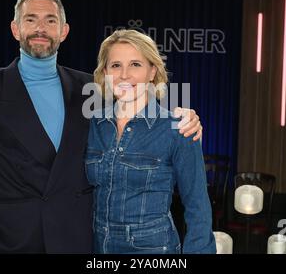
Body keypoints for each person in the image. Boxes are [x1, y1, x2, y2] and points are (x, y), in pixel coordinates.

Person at [0, 0, 203, 254]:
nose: (40, 29)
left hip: (78, 240)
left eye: (50, 21)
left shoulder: (89, 89)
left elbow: (135, 111)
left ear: (63, 31)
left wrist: (183, 116)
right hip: (11, 241)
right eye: (30, 19)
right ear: (15, 29)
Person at [86, 29, 216, 254]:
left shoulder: (178, 128)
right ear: (105, 72)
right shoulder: (93, 125)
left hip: (152, 250)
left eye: (135, 64)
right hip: (97, 248)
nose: (124, 74)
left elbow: (198, 208)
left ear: (152, 71)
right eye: (115, 65)